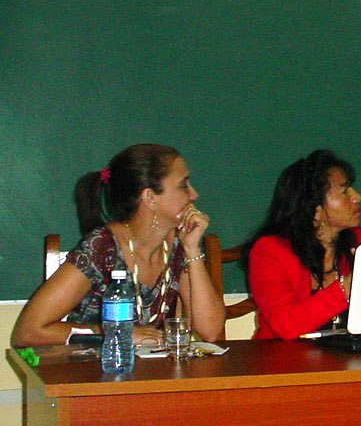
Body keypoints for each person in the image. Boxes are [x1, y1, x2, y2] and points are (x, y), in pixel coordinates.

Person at [12, 144, 225, 347]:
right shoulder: (101, 247)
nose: (194, 194)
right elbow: (28, 332)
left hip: (151, 376)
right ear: (150, 197)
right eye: (183, 185)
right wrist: (111, 333)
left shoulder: (178, 245)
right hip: (97, 373)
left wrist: (193, 249)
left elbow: (210, 330)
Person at [244, 149, 361, 340]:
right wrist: (346, 288)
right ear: (315, 209)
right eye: (345, 191)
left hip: (350, 359)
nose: (357, 197)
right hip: (284, 361)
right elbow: (286, 325)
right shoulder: (270, 251)